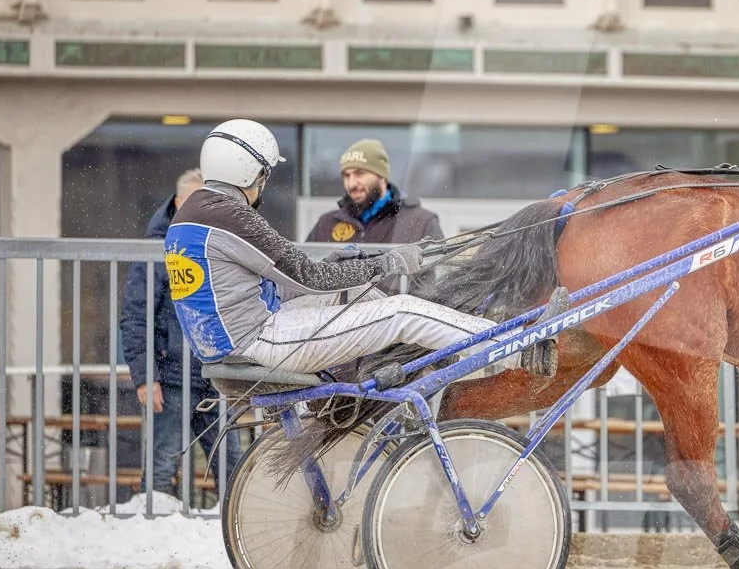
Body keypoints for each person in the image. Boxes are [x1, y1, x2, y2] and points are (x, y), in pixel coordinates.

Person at [165, 119, 552, 377]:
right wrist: (387, 262)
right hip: (257, 341)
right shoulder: (230, 215)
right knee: (401, 309)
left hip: (231, 342)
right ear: (248, 170)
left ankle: (448, 348)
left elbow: (260, 284)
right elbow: (310, 277)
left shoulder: (192, 215)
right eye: (264, 175)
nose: (263, 185)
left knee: (360, 294)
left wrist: (349, 261)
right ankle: (518, 348)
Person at [121, 168, 243, 497]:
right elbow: (135, 315)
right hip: (172, 378)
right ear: (177, 202)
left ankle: (236, 532)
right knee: (162, 465)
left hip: (214, 376)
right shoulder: (154, 250)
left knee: (234, 465)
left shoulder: (218, 246)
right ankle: (150, 536)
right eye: (194, 202)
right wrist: (146, 376)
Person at [306, 138, 443, 245]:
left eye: (360, 173)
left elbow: (438, 277)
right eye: (346, 175)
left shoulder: (420, 222)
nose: (352, 183)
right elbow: (302, 274)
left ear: (381, 176)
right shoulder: (326, 224)